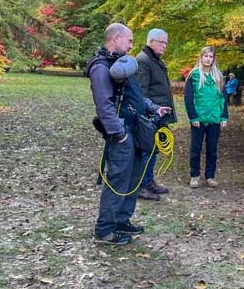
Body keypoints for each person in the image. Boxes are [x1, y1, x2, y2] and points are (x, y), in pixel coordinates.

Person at [85, 23, 171, 246]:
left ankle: (122, 221)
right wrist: (119, 133)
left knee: (134, 178)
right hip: (122, 133)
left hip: (137, 129)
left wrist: (153, 108)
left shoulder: (123, 64)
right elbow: (104, 105)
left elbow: (136, 95)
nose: (132, 45)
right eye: (129, 40)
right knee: (117, 180)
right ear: (115, 38)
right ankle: (104, 231)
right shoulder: (101, 67)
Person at [134, 28, 175, 201]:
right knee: (147, 151)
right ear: (151, 42)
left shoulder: (155, 60)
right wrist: (151, 111)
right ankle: (141, 186)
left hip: (159, 114)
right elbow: (141, 92)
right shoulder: (143, 60)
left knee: (154, 149)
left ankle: (149, 181)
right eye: (161, 42)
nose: (164, 46)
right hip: (149, 115)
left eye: (166, 42)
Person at [184, 46, 228, 188]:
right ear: (201, 57)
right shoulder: (194, 75)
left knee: (212, 149)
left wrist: (224, 117)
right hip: (199, 118)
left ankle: (210, 176)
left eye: (210, 57)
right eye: (206, 56)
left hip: (214, 118)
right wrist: (193, 117)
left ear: (213, 59)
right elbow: (189, 99)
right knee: (196, 148)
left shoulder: (219, 77)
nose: (208, 59)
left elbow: (223, 98)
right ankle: (194, 176)